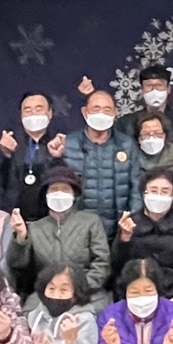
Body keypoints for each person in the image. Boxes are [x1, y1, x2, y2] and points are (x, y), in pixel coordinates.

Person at [7, 167, 111, 309]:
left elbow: (102, 263)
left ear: (74, 194)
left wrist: (78, 288)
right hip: (46, 294)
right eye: (54, 189)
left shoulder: (91, 222)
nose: (59, 194)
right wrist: (21, 237)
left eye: (65, 189)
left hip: (86, 293)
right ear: (46, 195)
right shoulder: (35, 227)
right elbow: (19, 266)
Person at [112, 169, 173, 308]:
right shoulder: (130, 223)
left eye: (165, 191)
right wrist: (124, 239)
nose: (158, 196)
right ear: (144, 193)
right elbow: (118, 267)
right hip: (138, 292)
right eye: (153, 191)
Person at [63, 89, 142, 239]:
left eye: (107, 110)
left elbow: (136, 187)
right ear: (85, 112)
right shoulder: (68, 144)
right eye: (96, 109)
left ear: (115, 113)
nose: (101, 114)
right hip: (77, 231)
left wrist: (131, 220)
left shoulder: (126, 144)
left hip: (118, 230)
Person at [79, 64, 173, 142]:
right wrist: (90, 96)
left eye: (159, 86)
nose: (154, 90)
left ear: (168, 89)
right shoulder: (126, 123)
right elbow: (101, 134)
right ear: (142, 90)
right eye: (149, 86)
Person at [0, 92, 65, 221]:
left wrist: (56, 158)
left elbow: (68, 181)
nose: (33, 114)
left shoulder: (59, 141)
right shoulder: (8, 141)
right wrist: (6, 155)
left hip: (50, 218)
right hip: (14, 216)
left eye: (39, 109)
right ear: (21, 115)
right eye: (28, 110)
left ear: (50, 113)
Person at [134, 114, 173, 215]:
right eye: (146, 134)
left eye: (157, 133)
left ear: (165, 135)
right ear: (138, 137)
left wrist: (166, 216)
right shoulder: (131, 157)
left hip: (171, 218)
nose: (151, 137)